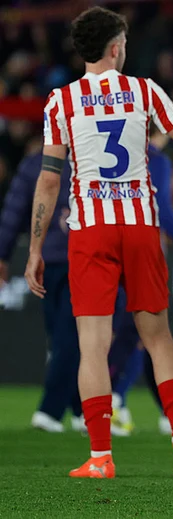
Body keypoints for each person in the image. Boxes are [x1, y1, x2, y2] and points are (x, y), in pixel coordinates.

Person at [24, 6, 173, 478]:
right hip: (141, 226)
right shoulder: (144, 91)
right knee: (158, 337)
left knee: (93, 344)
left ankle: (101, 457)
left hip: (91, 230)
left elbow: (49, 181)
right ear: (115, 48)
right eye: (124, 43)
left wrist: (34, 249)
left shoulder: (61, 101)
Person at [108, 126, 173, 436]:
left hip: (107, 246)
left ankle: (138, 406)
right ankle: (112, 400)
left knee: (129, 335)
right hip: (143, 254)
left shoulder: (117, 153)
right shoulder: (155, 160)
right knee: (142, 332)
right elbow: (164, 213)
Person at [0, 152, 83, 433]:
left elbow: (14, 210)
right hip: (77, 259)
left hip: (52, 259)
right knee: (67, 338)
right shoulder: (90, 157)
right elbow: (15, 209)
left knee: (66, 337)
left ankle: (75, 409)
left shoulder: (36, 162)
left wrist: (3, 253)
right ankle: (57, 410)